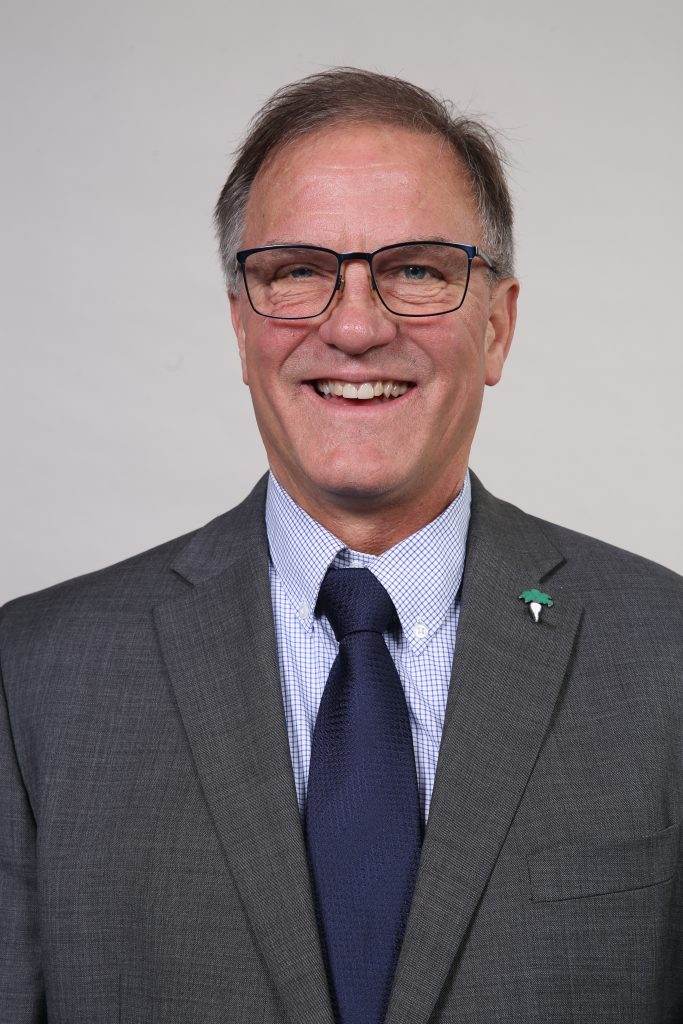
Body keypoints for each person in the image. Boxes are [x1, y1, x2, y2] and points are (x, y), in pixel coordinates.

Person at [0, 66, 680, 1024]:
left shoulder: (664, 655)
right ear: (241, 329)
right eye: (296, 271)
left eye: (417, 270)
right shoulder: (34, 678)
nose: (355, 326)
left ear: (496, 327)